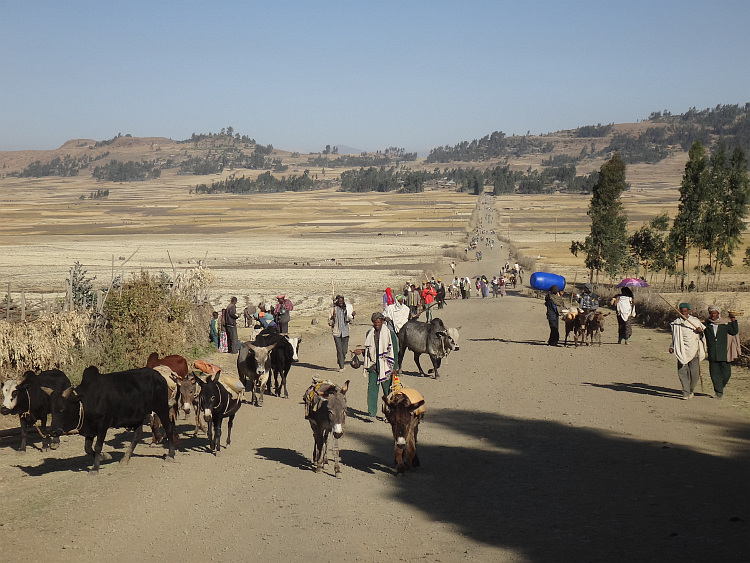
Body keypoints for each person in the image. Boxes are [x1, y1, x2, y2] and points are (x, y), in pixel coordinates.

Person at [363, 312, 399, 419]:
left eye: (378, 322)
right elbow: (369, 350)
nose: (376, 324)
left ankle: (390, 413)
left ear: (382, 322)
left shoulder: (390, 334)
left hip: (386, 366)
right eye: (374, 322)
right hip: (374, 367)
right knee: (372, 390)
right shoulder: (369, 333)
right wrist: (371, 365)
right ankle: (371, 413)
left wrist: (395, 368)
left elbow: (394, 352)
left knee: (388, 391)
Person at [668, 303, 705, 400]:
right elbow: (675, 338)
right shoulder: (676, 323)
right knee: (682, 372)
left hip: (694, 350)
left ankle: (691, 390)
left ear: (689, 311)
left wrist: (700, 332)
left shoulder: (695, 321)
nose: (684, 313)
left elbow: (703, 336)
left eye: (685, 311)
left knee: (695, 373)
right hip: (681, 350)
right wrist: (672, 346)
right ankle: (685, 391)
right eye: (682, 311)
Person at [702, 305, 739, 399]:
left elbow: (734, 331)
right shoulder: (707, 324)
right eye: (711, 313)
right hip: (712, 353)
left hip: (724, 352)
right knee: (714, 374)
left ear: (719, 313)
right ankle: (718, 392)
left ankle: (719, 387)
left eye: (715, 313)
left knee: (727, 373)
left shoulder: (725, 324)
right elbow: (700, 332)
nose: (713, 315)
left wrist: (733, 320)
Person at [330, 295, 354, 372]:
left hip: (345, 332)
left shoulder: (346, 309)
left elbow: (350, 319)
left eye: (342, 301)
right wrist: (332, 320)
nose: (341, 303)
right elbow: (329, 320)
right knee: (339, 350)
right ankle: (341, 366)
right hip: (337, 332)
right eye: (339, 301)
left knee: (344, 350)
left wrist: (352, 316)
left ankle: (341, 360)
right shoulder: (333, 309)